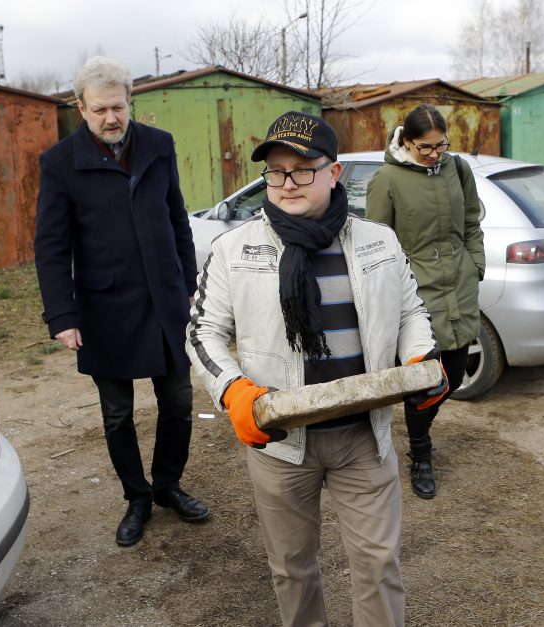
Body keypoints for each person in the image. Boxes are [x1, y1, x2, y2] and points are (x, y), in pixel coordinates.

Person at [186, 111, 448, 627]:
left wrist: (420, 360)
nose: (287, 183)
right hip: (281, 446)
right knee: (292, 570)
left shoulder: (380, 243)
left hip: (363, 439)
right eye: (276, 171)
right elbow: (202, 334)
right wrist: (233, 391)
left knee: (377, 565)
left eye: (302, 169)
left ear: (335, 173)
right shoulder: (233, 250)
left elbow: (411, 314)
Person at [34, 56, 209, 548]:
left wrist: (189, 280)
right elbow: (50, 247)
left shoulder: (159, 146)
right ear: (80, 108)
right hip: (103, 308)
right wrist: (62, 315)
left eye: (118, 106)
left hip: (166, 299)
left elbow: (177, 218)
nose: (111, 118)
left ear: (130, 102)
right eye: (99, 110)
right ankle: (137, 497)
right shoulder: (60, 163)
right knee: (117, 414)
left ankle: (169, 486)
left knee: (178, 400)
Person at [366, 104, 485, 499]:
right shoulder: (386, 179)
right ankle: (421, 455)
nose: (435, 155)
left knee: (453, 372)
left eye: (440, 146)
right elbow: (377, 244)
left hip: (460, 284)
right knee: (424, 382)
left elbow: (471, 220)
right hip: (417, 292)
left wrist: (476, 263)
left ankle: (420, 430)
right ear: (406, 142)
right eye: (425, 148)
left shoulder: (459, 169)